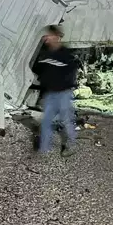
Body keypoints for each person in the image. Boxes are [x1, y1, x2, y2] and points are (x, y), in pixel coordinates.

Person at [33, 25, 78, 156]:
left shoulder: (66, 55)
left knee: (66, 119)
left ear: (57, 37)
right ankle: (44, 148)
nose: (47, 39)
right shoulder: (45, 54)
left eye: (50, 36)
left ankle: (72, 144)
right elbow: (40, 70)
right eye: (46, 36)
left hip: (63, 93)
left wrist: (64, 84)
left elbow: (71, 73)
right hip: (50, 93)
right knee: (46, 120)